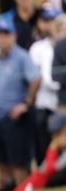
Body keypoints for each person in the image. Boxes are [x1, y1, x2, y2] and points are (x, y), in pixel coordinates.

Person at [0, 15, 41, 191]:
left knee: (18, 163)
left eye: (6, 34)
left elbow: (36, 79)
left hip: (15, 120)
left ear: (14, 36)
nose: (2, 38)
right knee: (0, 162)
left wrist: (26, 103)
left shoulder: (21, 57)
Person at [29, 7, 64, 164]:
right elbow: (43, 78)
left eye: (53, 21)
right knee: (44, 148)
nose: (50, 25)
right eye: (46, 21)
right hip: (44, 104)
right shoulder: (38, 48)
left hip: (61, 103)